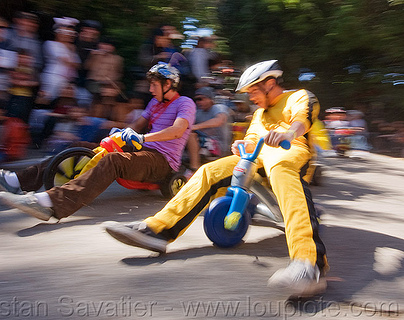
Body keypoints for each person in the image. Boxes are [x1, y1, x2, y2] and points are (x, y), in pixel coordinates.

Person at [105, 60, 328, 297]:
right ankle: (156, 231)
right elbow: (252, 140)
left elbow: (303, 118)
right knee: (207, 172)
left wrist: (288, 133)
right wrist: (242, 144)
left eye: (253, 91)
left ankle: (308, 264)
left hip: (291, 152)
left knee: (281, 169)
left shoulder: (298, 96)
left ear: (270, 84)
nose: (251, 97)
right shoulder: (259, 115)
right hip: (257, 159)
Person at [0, 62, 196, 222]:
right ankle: (16, 181)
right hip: (142, 149)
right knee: (77, 147)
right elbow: (138, 123)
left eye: (154, 85)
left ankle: (51, 203)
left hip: (162, 160)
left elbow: (178, 131)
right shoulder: (154, 103)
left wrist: (142, 138)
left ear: (168, 84)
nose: (150, 89)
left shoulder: (185, 103)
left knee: (113, 161)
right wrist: (125, 131)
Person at [186, 86, 230, 170]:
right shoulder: (198, 112)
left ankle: (194, 168)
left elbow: (219, 121)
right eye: (196, 100)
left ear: (210, 99)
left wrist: (195, 127)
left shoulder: (219, 108)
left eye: (201, 99)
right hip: (204, 142)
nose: (198, 102)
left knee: (191, 136)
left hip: (218, 146)